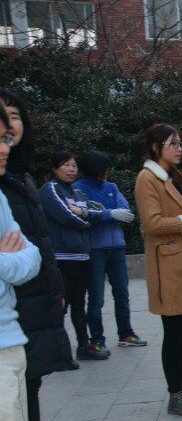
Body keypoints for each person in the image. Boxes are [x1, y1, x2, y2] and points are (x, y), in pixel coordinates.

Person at [0, 106, 105, 421]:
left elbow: (27, 260)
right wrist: (10, 257)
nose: (4, 146)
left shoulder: (4, 191)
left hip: (11, 336)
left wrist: (12, 257)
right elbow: (17, 260)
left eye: (6, 137)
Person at [0, 89, 78, 421]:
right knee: (15, 389)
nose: (10, 126)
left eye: (15, 116)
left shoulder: (20, 176)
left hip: (34, 293)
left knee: (30, 381)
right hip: (13, 302)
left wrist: (55, 289)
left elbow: (34, 247)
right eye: (4, 117)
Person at [135, 123, 182, 417]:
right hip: (167, 266)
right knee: (174, 331)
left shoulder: (167, 176)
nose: (179, 149)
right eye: (173, 144)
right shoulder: (147, 178)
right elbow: (152, 223)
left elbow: (172, 217)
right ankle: (175, 395)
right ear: (156, 147)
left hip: (179, 263)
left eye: (180, 143)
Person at [39, 150, 108, 362]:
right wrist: (85, 220)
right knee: (61, 306)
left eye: (74, 165)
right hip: (62, 258)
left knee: (79, 305)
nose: (71, 170)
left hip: (83, 257)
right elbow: (66, 216)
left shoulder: (77, 192)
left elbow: (97, 212)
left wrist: (83, 214)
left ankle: (83, 346)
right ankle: (59, 353)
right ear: (54, 168)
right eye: (66, 165)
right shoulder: (50, 188)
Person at [73, 150, 146, 350]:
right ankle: (97, 339)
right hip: (95, 249)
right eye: (104, 169)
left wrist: (102, 213)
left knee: (122, 293)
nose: (107, 173)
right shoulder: (78, 189)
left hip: (117, 248)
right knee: (96, 297)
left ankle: (126, 333)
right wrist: (110, 213)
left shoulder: (112, 187)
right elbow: (85, 213)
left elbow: (125, 210)